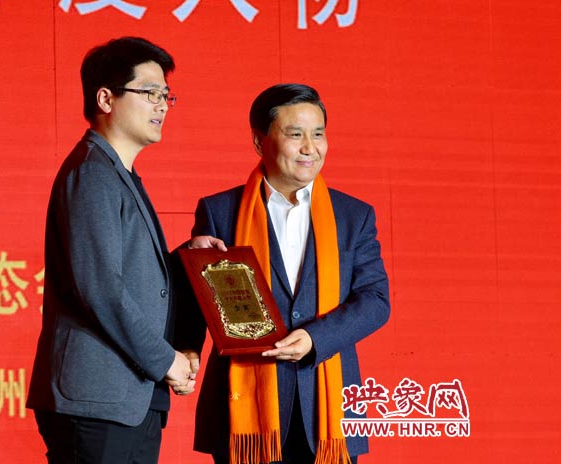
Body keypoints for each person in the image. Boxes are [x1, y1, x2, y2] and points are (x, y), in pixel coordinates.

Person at [179, 84, 391, 464]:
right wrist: (186, 349)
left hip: (327, 408)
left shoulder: (354, 216)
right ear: (259, 142)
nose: (310, 147)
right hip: (243, 410)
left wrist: (315, 338)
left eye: (318, 134)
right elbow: (197, 295)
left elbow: (375, 300)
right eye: (295, 135)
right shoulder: (220, 211)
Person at [26, 37, 195, 464]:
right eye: (150, 92)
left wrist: (187, 257)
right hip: (96, 400)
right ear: (106, 98)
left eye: (166, 95)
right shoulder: (92, 173)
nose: (162, 105)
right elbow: (100, 288)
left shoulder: (118, 172)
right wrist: (165, 360)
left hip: (128, 398)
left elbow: (132, 274)